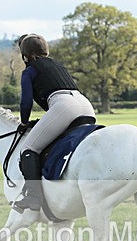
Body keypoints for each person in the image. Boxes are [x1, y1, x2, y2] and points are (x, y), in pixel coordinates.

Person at [13, 34, 95, 212]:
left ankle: (33, 196)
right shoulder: (59, 65)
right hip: (86, 105)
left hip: (64, 106)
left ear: (28, 56)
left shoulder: (29, 71)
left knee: (28, 149)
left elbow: (26, 103)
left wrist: (24, 123)